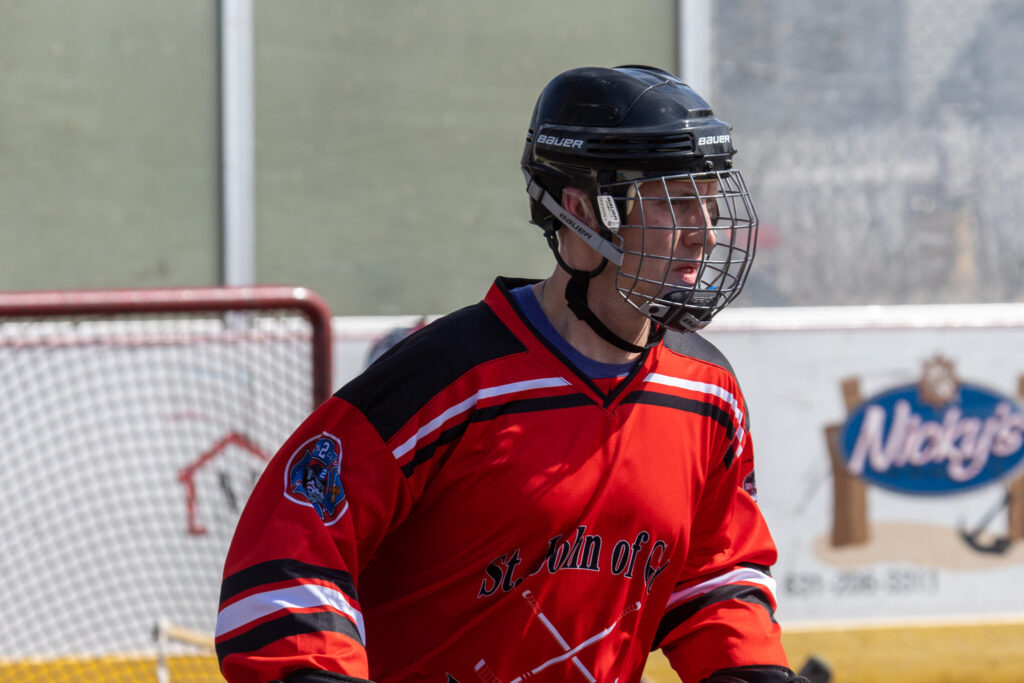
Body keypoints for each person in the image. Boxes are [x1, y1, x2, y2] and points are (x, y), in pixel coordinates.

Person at [215, 65, 807, 683]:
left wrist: (747, 670)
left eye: (709, 200)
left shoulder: (707, 390)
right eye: (676, 202)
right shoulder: (441, 379)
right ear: (582, 209)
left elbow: (716, 573)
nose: (705, 234)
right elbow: (289, 555)